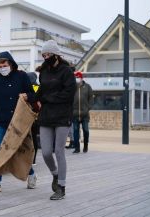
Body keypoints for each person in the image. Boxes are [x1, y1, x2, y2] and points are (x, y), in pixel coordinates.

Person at [0, 51, 37, 193]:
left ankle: (31, 174)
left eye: (5, 65)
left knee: (20, 150)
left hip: (19, 121)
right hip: (1, 120)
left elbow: (33, 94)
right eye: (0, 66)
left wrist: (26, 96)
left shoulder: (22, 76)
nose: (3, 68)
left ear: (10, 64)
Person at [36, 40, 76, 200]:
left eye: (48, 54)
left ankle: (61, 186)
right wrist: (31, 96)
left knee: (59, 151)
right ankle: (55, 174)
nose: (46, 57)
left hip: (62, 116)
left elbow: (69, 93)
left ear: (56, 54)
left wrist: (48, 98)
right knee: (45, 152)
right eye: (43, 55)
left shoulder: (66, 72)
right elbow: (40, 91)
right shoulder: (44, 72)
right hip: (45, 116)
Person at [72, 71, 93, 153]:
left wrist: (88, 108)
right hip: (75, 113)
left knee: (86, 130)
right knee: (76, 131)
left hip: (85, 114)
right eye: (75, 77)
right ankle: (77, 148)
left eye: (78, 77)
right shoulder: (72, 87)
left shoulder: (87, 87)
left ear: (81, 78)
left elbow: (91, 98)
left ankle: (85, 146)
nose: (77, 79)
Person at [27, 72, 40, 165]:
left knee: (27, 138)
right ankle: (33, 159)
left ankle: (27, 158)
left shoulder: (26, 88)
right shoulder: (38, 87)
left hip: (27, 116)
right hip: (37, 117)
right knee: (34, 138)